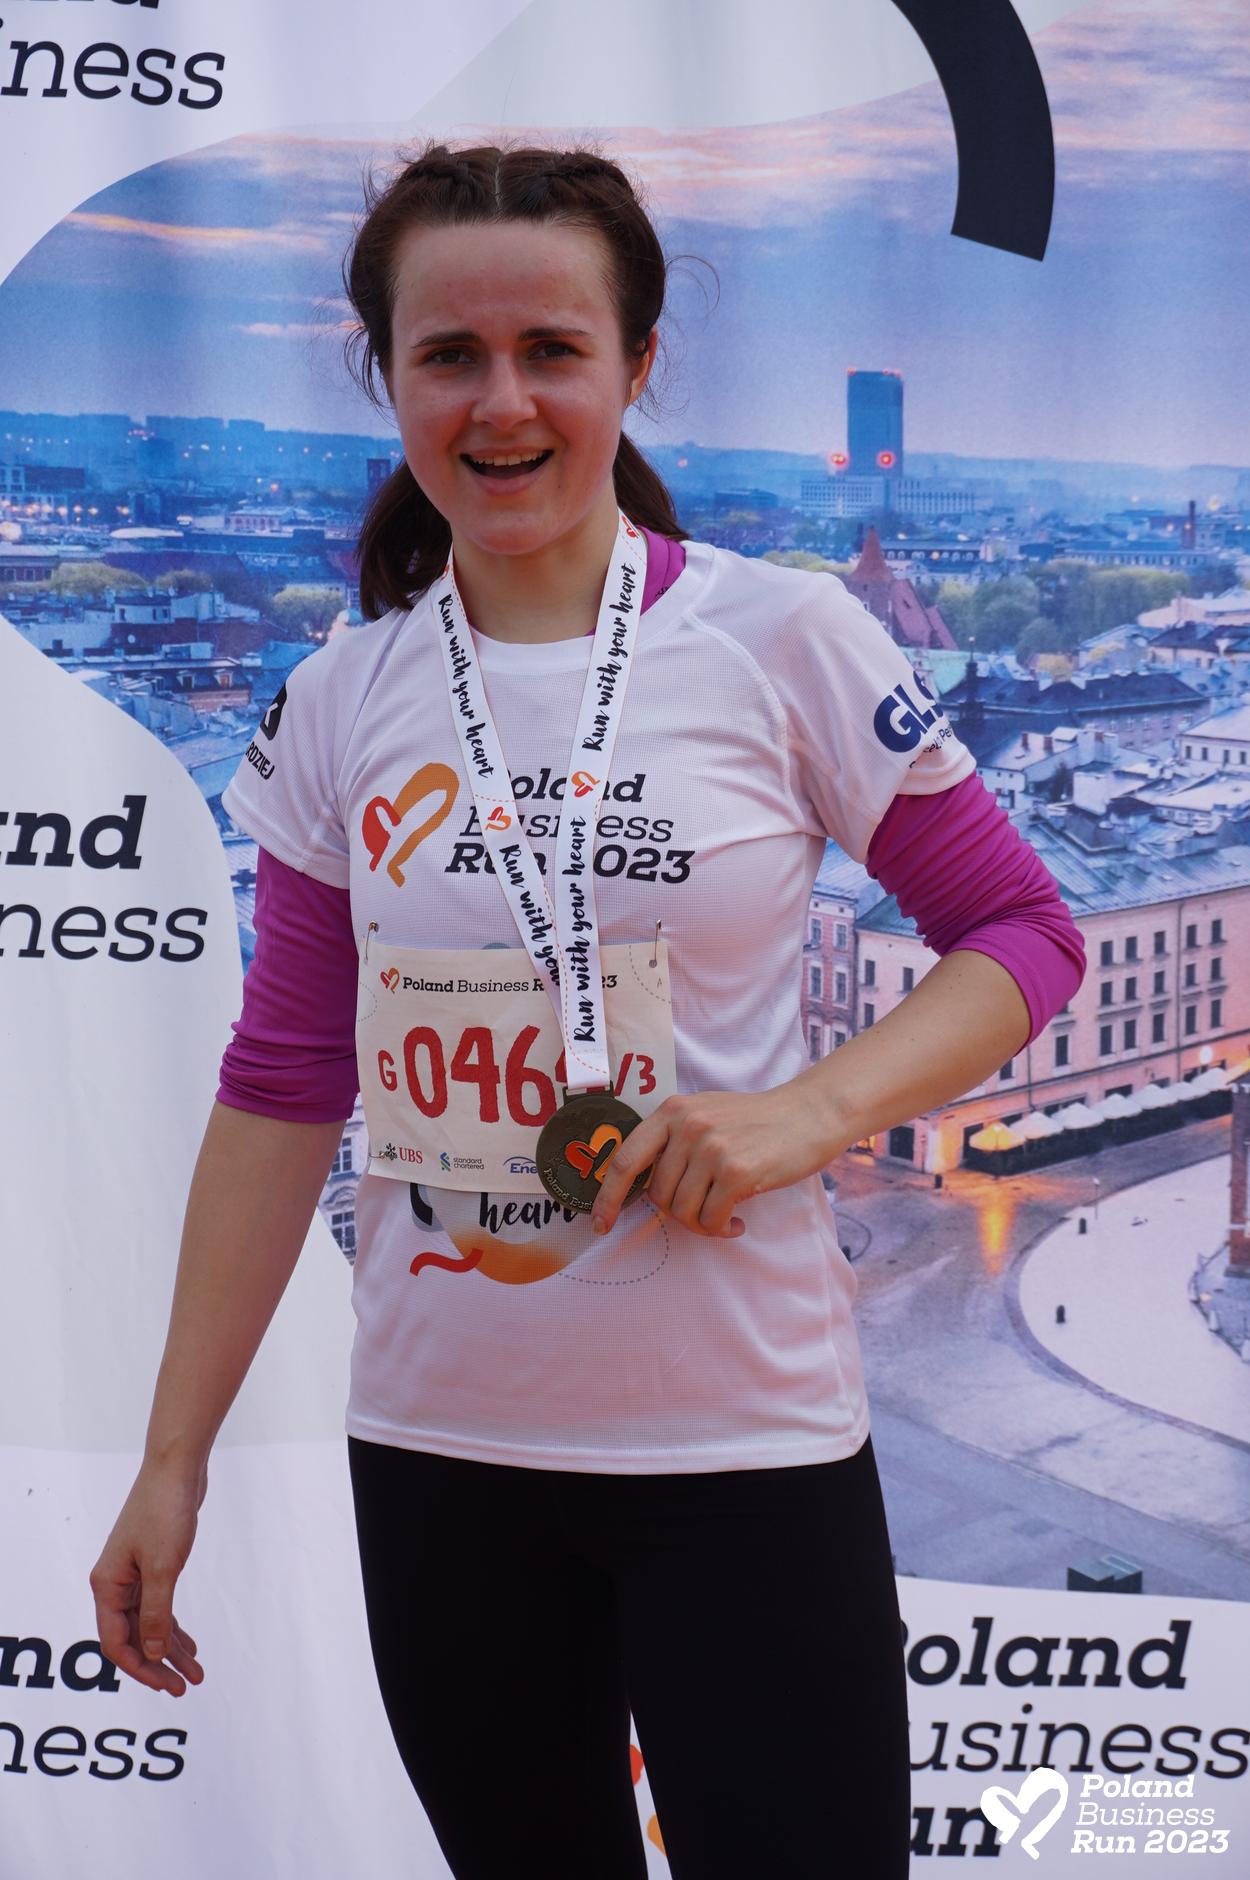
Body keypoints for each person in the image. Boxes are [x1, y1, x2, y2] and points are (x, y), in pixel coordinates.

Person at [90, 141, 1086, 1879]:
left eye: (551, 349)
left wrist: (807, 1114)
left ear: (636, 366)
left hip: (743, 1447)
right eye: (448, 356)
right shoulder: (339, 697)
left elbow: (1020, 932)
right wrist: (170, 1459)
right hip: (444, 1456)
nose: (501, 403)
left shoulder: (786, 639)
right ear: (385, 376)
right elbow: (282, 1085)